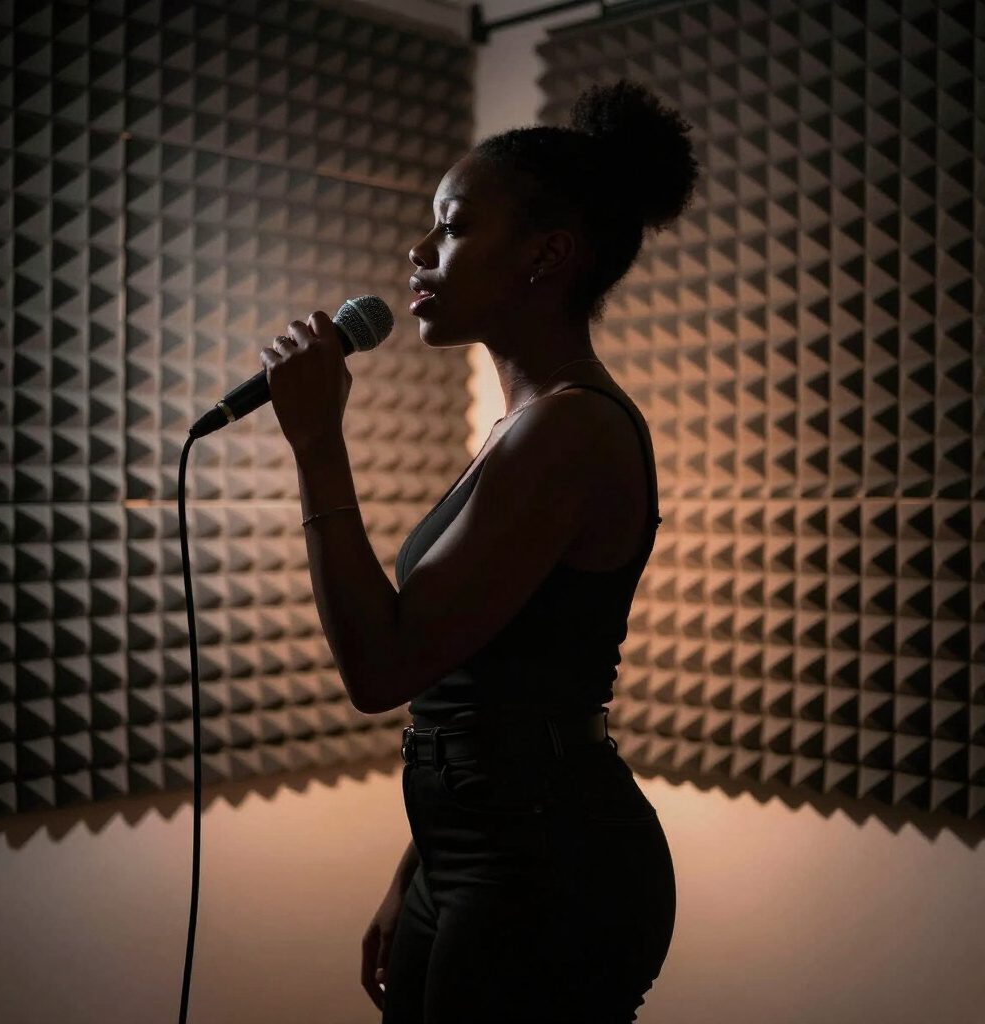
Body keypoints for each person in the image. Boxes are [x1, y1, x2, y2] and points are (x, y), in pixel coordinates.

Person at [261, 78, 698, 1024]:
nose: (418, 251)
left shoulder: (569, 432)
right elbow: (487, 689)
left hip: (549, 868)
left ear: (548, 255)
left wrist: (319, 444)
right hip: (470, 847)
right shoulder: (524, 428)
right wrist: (416, 872)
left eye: (452, 227)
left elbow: (382, 669)